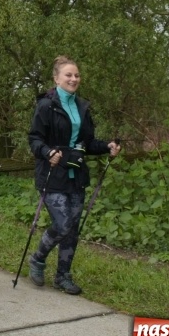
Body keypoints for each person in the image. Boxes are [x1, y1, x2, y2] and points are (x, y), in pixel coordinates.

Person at [27, 55, 120, 295]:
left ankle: (63, 276)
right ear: (56, 78)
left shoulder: (82, 106)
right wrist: (48, 152)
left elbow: (86, 143)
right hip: (52, 172)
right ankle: (37, 259)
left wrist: (107, 146)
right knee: (63, 223)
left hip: (75, 173)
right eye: (68, 75)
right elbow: (34, 138)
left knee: (73, 227)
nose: (73, 78)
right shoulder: (46, 105)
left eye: (77, 75)